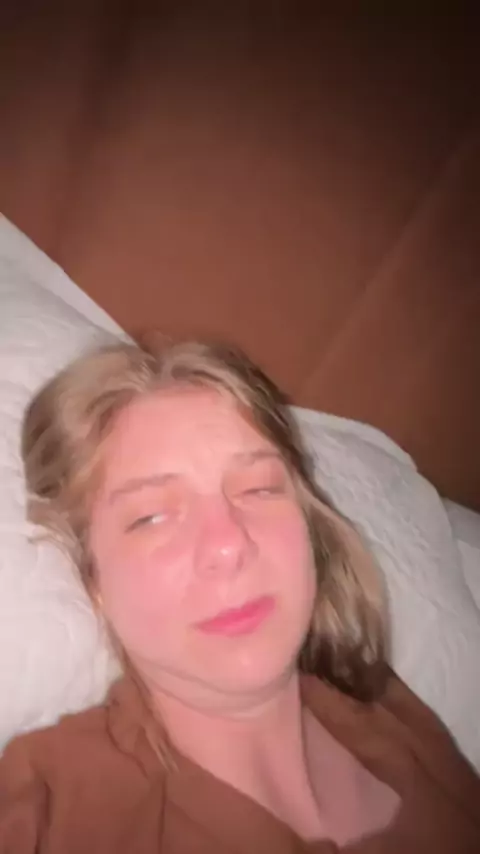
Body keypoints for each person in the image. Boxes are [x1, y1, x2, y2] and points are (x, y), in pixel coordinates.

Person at [0, 337, 478, 853]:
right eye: (151, 516)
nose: (228, 544)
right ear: (93, 578)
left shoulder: (387, 710)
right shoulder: (48, 811)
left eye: (258, 488)